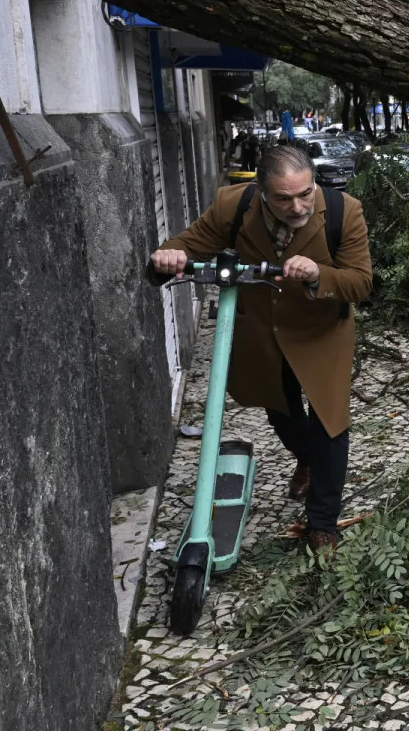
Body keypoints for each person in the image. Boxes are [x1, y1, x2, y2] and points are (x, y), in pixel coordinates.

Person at [148, 144, 374, 551]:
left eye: (305, 193)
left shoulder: (344, 210)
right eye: (284, 198)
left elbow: (360, 283)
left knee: (330, 425)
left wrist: (317, 273)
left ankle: (322, 522)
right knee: (281, 411)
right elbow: (190, 243)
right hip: (264, 334)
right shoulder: (232, 206)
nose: (298, 205)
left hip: (322, 333)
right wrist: (172, 254)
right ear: (263, 191)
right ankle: (305, 458)